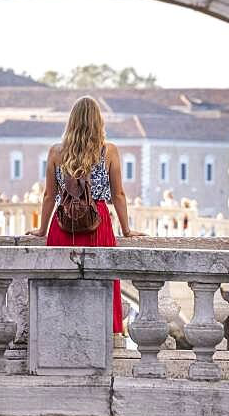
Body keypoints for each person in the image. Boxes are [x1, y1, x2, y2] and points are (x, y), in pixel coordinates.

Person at [25, 96, 144, 334]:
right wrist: (126, 229)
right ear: (98, 122)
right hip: (97, 223)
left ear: (71, 122)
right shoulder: (108, 151)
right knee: (102, 284)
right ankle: (101, 339)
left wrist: (42, 229)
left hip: (63, 224)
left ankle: (59, 338)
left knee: (61, 289)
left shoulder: (56, 152)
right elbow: (118, 194)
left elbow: (50, 195)